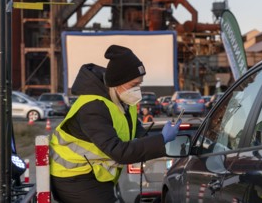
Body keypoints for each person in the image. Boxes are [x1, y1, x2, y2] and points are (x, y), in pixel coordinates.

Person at [49, 45, 182, 203]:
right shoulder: (93, 107)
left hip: (96, 174)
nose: (138, 90)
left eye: (140, 84)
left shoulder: (123, 102)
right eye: (134, 85)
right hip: (73, 177)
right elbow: (118, 151)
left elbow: (136, 133)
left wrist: (163, 137)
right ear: (117, 83)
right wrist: (161, 139)